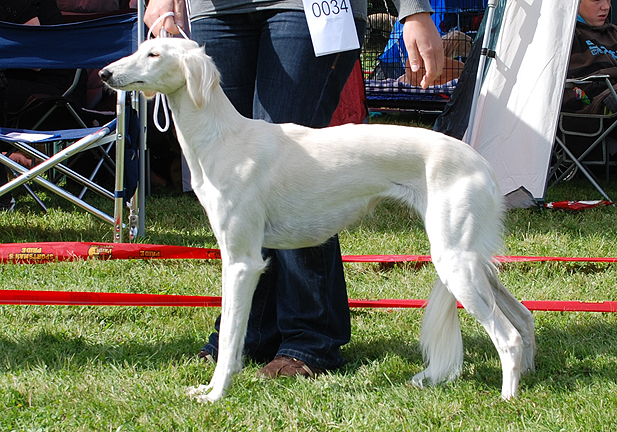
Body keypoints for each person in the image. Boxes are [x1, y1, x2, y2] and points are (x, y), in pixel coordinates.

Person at [144, 0, 443, 378]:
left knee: (296, 175)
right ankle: (249, 337)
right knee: (238, 189)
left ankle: (310, 340)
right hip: (215, 10)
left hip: (308, 8)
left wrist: (413, 9)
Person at [562, 0, 617, 115]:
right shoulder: (565, 36)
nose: (606, 7)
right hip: (595, 106)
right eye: (596, 0)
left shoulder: (613, 33)